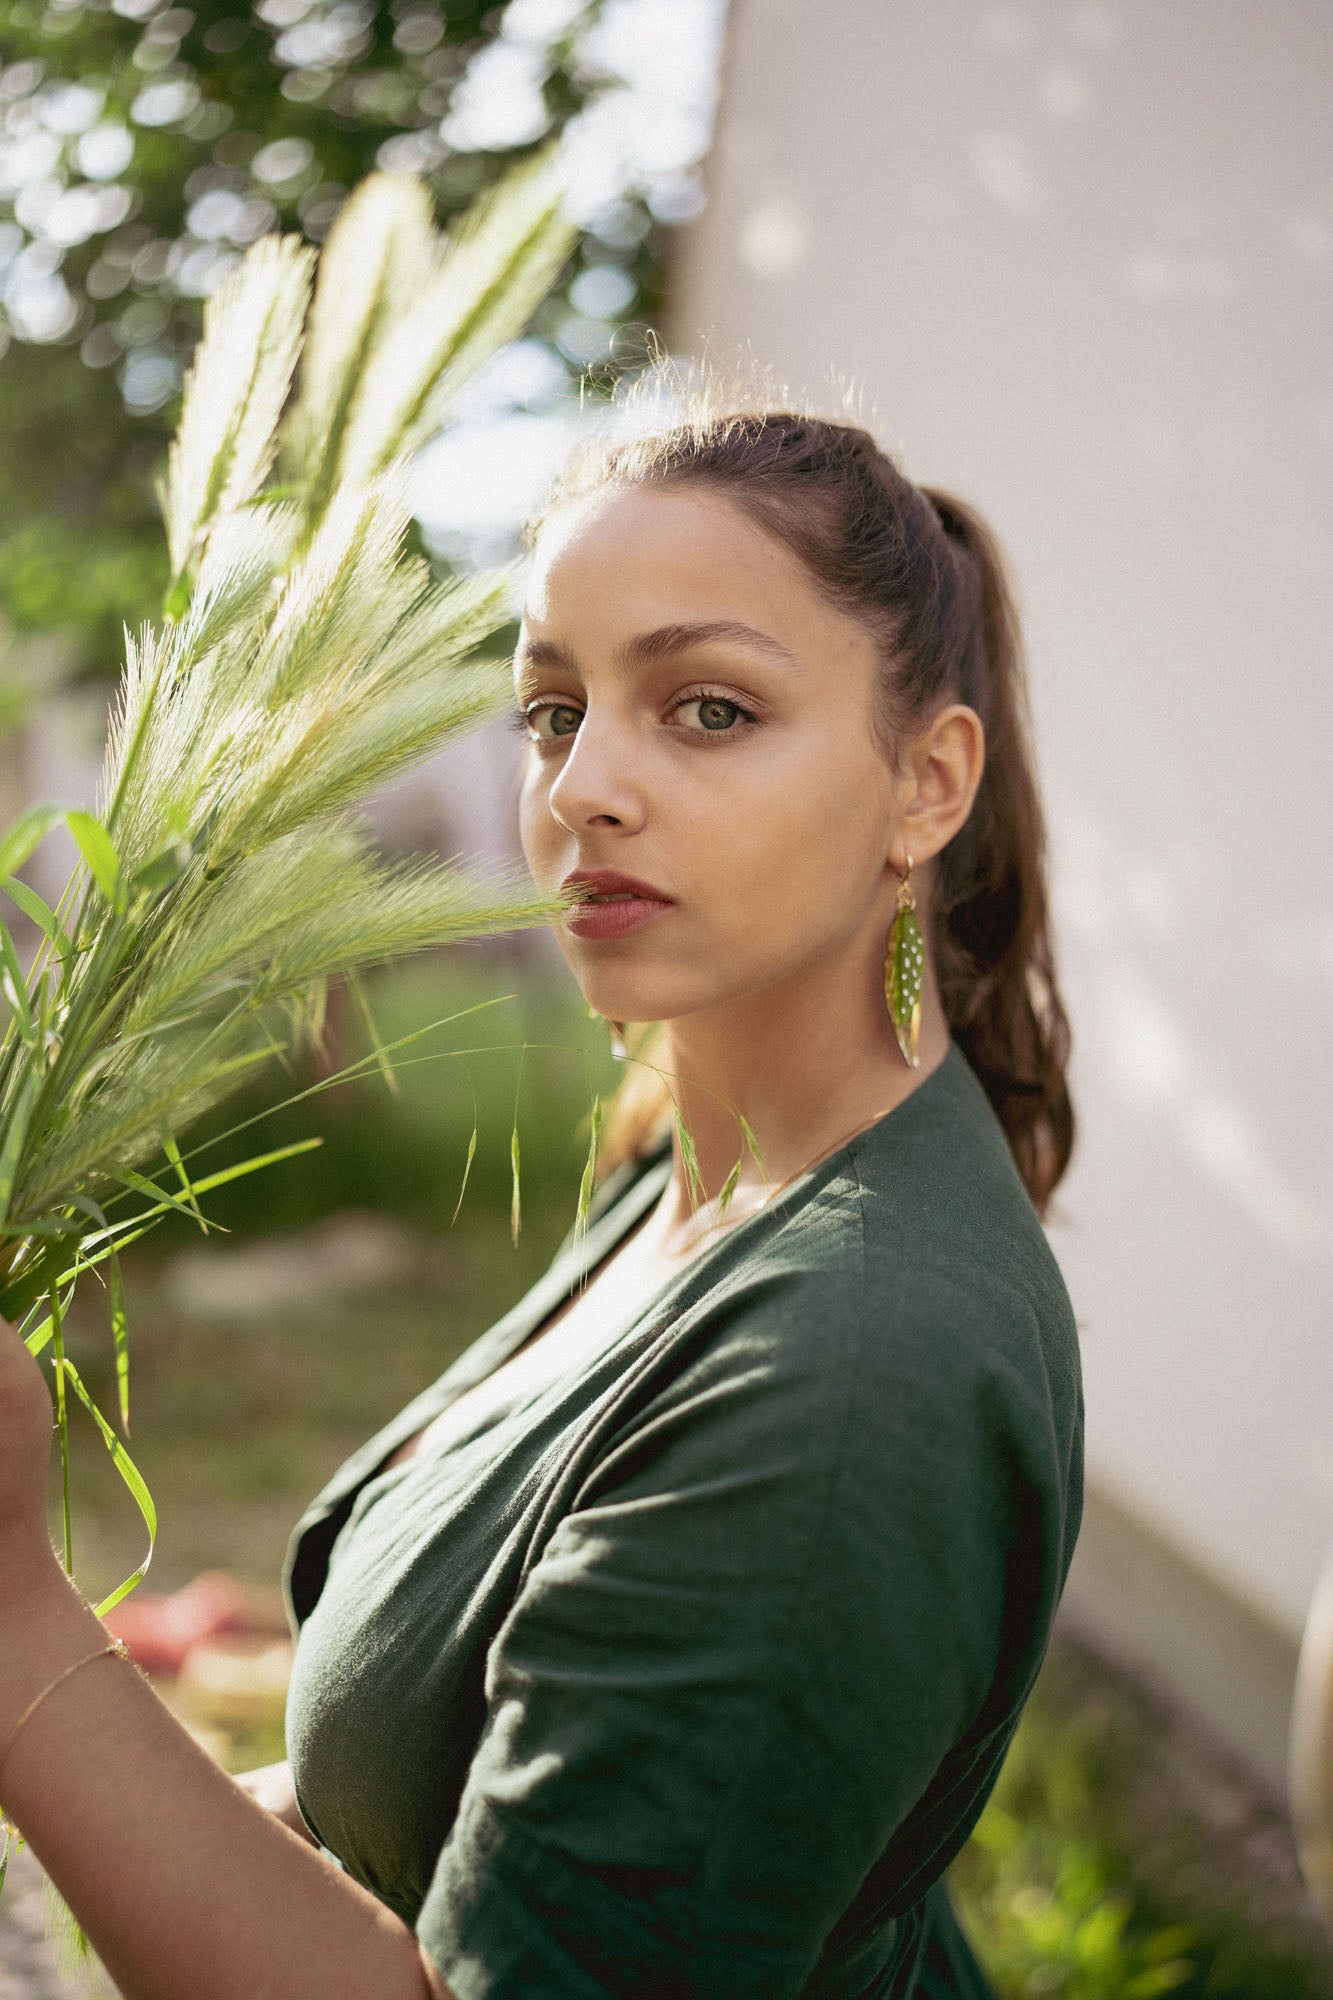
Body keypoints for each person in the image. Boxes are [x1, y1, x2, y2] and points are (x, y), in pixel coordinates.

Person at [0, 407, 1083, 1999]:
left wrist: (15, 1609)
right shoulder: (691, 1151)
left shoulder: (850, 1372)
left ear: (926, 785)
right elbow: (474, 1793)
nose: (583, 787)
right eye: (553, 710)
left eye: (707, 709)